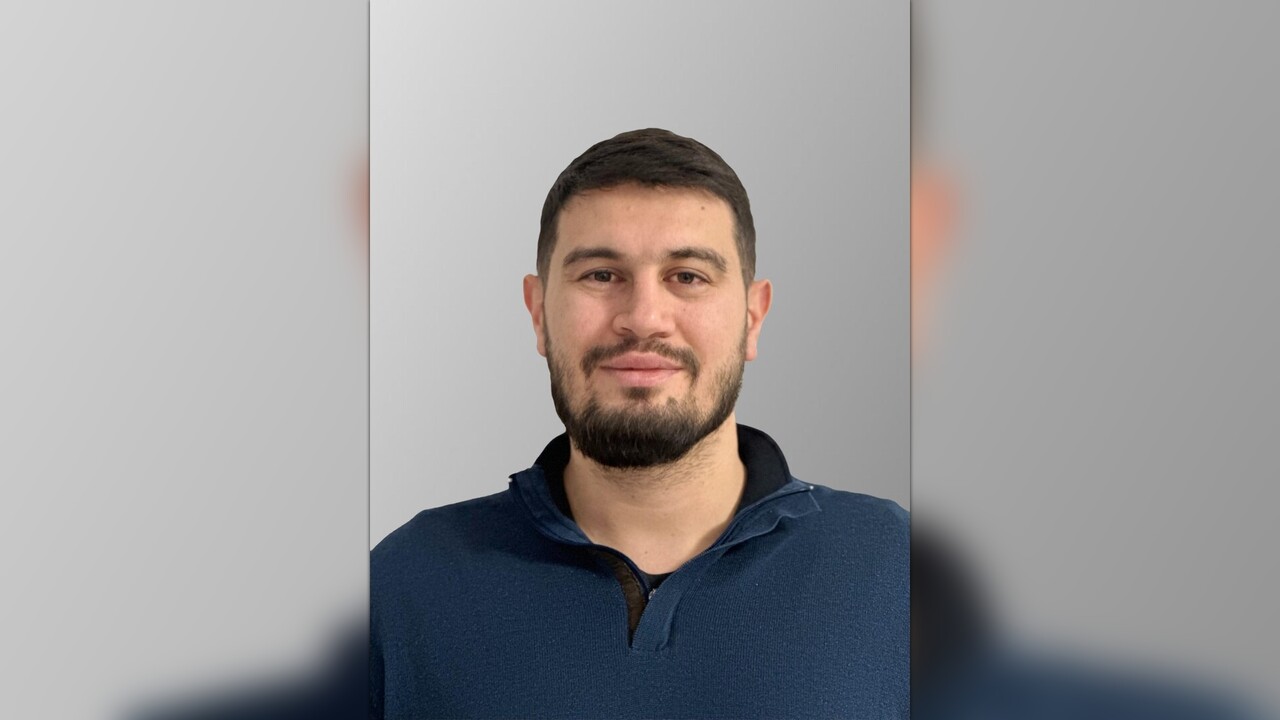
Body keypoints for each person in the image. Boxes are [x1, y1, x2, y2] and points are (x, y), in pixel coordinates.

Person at [369, 128, 909, 719]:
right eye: (601, 275)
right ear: (539, 312)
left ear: (753, 318)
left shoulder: (902, 572)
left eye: (688, 276)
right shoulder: (404, 585)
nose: (644, 318)